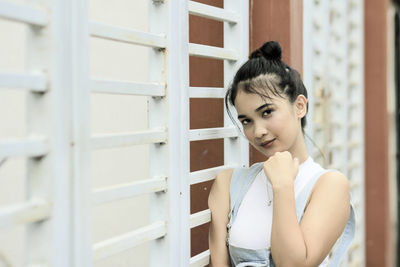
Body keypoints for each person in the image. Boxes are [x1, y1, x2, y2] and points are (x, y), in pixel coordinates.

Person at [208, 41, 355, 267]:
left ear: (299, 107)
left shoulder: (329, 186)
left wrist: (283, 186)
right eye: (246, 121)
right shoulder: (229, 185)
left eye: (267, 112)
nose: (258, 131)